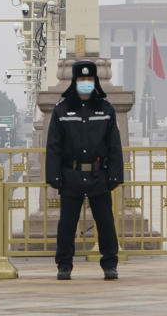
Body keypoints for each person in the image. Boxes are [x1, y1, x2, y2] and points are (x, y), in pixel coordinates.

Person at [46, 60, 123, 280]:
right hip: (71, 175)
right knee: (67, 224)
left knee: (105, 222)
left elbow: (114, 145)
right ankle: (64, 265)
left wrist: (115, 175)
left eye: (89, 79)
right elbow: (53, 146)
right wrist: (54, 176)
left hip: (99, 174)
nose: (86, 83)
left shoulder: (105, 108)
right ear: (75, 81)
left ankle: (110, 264)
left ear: (95, 81)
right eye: (82, 79)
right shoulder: (62, 109)